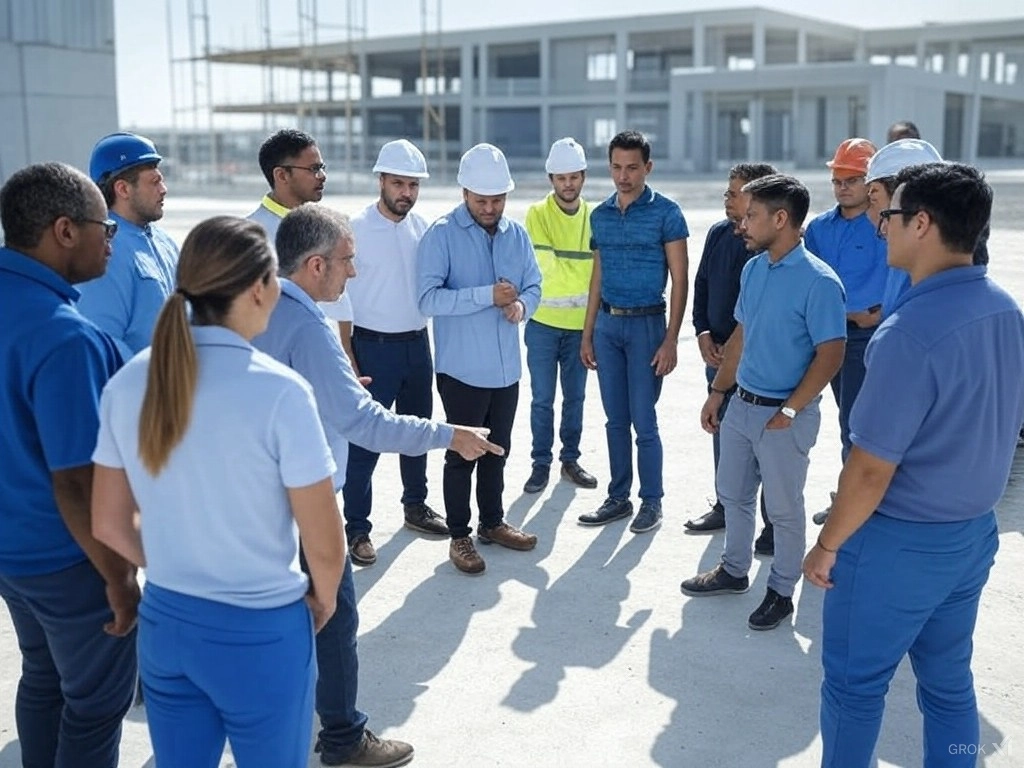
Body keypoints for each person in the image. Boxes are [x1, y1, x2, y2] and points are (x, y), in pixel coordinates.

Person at [90, 216, 344, 768]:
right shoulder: (281, 393)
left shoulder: (129, 381)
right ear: (259, 287)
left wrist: (183, 562)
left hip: (168, 623)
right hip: (261, 633)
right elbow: (325, 542)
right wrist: (321, 601)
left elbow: (108, 523)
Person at [255, 203, 500, 765]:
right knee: (335, 619)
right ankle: (342, 739)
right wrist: (449, 434)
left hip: (255, 501)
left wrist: (336, 386)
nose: (354, 272)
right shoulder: (310, 325)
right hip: (299, 505)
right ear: (315, 265)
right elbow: (365, 422)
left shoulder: (258, 305)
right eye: (347, 260)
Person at [803, 162, 1024, 767]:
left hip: (898, 545)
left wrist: (827, 545)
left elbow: (870, 469)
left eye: (891, 215)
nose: (882, 226)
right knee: (949, 686)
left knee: (854, 690)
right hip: (972, 535)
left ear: (921, 223)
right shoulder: (1005, 309)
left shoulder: (907, 331)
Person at [0, 162, 138, 768]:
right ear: (63, 231)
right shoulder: (64, 336)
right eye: (103, 226)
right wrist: (117, 575)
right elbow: (78, 480)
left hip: (12, 554)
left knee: (43, 678)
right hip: (70, 558)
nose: (110, 238)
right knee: (94, 704)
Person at [680, 174, 846, 632]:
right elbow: (741, 336)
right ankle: (734, 571)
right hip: (741, 406)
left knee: (785, 509)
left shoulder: (820, 282)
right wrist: (718, 393)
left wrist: (791, 409)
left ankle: (781, 591)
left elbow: (832, 353)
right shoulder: (753, 269)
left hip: (783, 416)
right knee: (732, 494)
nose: (742, 223)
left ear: (781, 218)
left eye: (752, 215)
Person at [417, 143, 542, 574]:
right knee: (462, 454)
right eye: (481, 200)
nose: (490, 208)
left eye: (497, 199)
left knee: (498, 450)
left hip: (506, 369)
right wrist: (484, 296)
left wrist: (521, 307)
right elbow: (428, 299)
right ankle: (459, 535)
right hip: (461, 370)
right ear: (464, 192)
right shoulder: (440, 234)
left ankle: (492, 523)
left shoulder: (517, 234)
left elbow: (534, 286)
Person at [341, 140, 448, 567]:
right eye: (399, 183)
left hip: (417, 346)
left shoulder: (423, 228)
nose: (406, 192)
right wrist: (348, 354)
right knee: (364, 443)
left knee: (417, 432)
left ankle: (415, 506)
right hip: (372, 348)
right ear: (381, 181)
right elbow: (340, 298)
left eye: (413, 185)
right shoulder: (355, 229)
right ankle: (358, 528)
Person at [579, 130, 689, 534]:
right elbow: (597, 275)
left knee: (644, 419)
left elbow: (680, 279)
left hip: (647, 325)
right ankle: (618, 496)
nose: (623, 176)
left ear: (648, 167)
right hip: (608, 325)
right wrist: (587, 333)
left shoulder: (667, 213)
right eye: (616, 167)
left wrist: (672, 339)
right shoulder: (600, 215)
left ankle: (652, 501)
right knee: (614, 418)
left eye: (632, 168)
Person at [685, 162, 777, 557]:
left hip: (757, 362)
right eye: (727, 191)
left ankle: (773, 524)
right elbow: (702, 283)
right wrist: (703, 332)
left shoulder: (770, 247)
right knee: (722, 436)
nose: (728, 199)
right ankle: (725, 505)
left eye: (735, 193)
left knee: (768, 448)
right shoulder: (719, 234)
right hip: (718, 355)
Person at [521, 137, 599, 495]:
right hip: (542, 325)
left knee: (576, 398)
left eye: (574, 177)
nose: (568, 184)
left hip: (581, 328)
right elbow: (545, 268)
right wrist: (582, 266)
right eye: (561, 178)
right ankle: (540, 463)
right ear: (551, 178)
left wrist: (574, 266)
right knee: (541, 399)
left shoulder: (595, 217)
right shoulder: (537, 214)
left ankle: (570, 460)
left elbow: (595, 270)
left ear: (583, 177)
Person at [804, 138, 887, 465]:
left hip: (874, 336)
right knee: (849, 421)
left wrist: (882, 313)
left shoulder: (886, 225)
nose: (843, 188)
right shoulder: (819, 229)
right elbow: (809, 284)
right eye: (837, 181)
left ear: (871, 181)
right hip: (830, 336)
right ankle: (853, 498)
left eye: (852, 180)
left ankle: (859, 504)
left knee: (863, 424)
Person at [247, 128, 355, 357]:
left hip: (327, 356)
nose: (322, 176)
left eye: (322, 168)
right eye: (313, 169)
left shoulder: (330, 226)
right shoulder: (252, 236)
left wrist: (347, 358)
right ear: (282, 175)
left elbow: (340, 303)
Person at [76, 132, 179, 359]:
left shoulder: (166, 243)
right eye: (154, 181)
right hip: (140, 390)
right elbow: (102, 342)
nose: (163, 189)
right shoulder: (104, 252)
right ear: (123, 189)